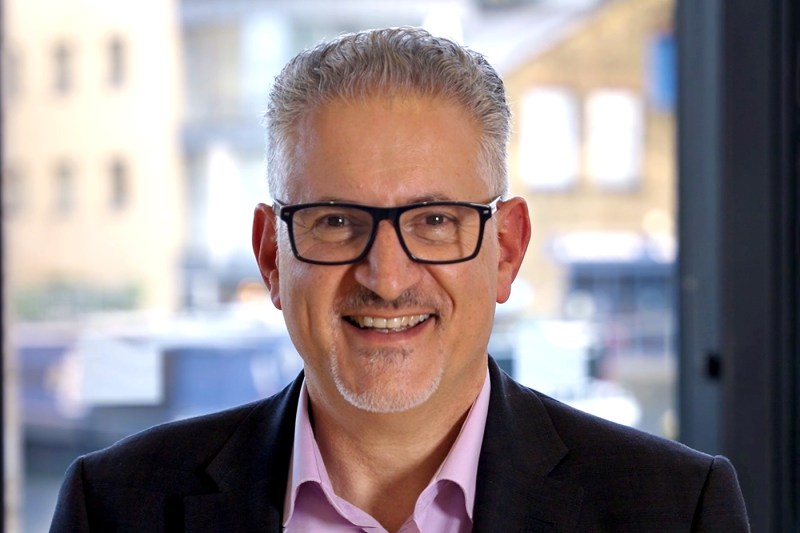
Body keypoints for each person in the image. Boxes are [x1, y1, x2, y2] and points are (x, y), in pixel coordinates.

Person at [50, 27, 749, 532]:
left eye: (436, 221)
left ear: (505, 249)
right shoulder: (114, 506)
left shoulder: (674, 507)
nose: (386, 277)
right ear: (271, 254)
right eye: (335, 222)